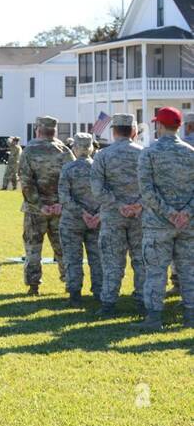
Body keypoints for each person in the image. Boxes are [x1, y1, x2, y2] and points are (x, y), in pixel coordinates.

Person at [136, 107, 194, 329]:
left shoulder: (149, 153)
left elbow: (147, 191)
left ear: (159, 126)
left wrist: (169, 212)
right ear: (179, 126)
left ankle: (154, 318)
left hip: (158, 224)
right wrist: (185, 213)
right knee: (189, 270)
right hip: (188, 224)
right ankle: (190, 317)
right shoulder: (191, 153)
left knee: (155, 271)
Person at [91, 113, 146, 316]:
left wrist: (118, 205)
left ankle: (108, 304)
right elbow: (153, 186)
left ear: (114, 132)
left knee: (112, 260)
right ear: (133, 131)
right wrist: (137, 205)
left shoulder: (102, 155)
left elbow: (97, 188)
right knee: (141, 261)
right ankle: (142, 301)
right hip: (140, 216)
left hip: (113, 215)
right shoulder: (144, 153)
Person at [18, 115, 72, 295]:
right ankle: (70, 282)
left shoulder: (29, 151)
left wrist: (39, 204)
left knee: (33, 247)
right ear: (54, 130)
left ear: (38, 129)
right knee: (64, 248)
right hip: (60, 210)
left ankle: (33, 286)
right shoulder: (64, 150)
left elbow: (26, 182)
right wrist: (61, 203)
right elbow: (72, 180)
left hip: (35, 210)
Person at [58, 132, 103, 305]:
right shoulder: (99, 168)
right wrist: (96, 214)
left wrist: (82, 213)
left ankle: (75, 295)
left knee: (72, 258)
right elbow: (104, 194)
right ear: (91, 149)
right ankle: (99, 293)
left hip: (72, 221)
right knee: (97, 258)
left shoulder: (68, 169)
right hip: (96, 221)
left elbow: (64, 197)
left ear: (75, 148)